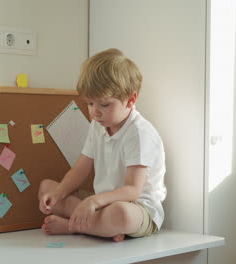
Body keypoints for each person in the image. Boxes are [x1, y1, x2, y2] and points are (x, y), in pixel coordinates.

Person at [38, 48, 167, 242]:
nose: (94, 112)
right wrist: (58, 194)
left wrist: (94, 201)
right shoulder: (98, 125)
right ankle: (99, 226)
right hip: (102, 203)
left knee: (121, 214)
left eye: (104, 105)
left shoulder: (139, 133)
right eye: (90, 103)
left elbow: (133, 189)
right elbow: (81, 168)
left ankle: (74, 227)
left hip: (138, 209)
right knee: (46, 188)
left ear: (131, 100)